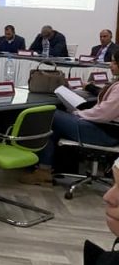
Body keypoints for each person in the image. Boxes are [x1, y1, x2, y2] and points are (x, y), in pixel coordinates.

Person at [20, 49, 119, 185]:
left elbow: (103, 113)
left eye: (114, 62)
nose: (110, 65)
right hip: (105, 130)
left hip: (104, 134)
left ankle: (43, 170)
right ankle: (44, 169)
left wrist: (78, 113)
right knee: (52, 126)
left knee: (49, 114)